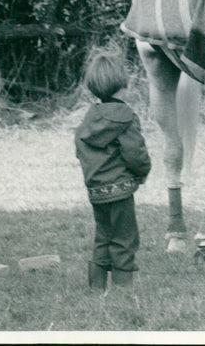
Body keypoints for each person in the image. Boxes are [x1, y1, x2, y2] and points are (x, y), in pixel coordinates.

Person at [75, 46, 151, 290]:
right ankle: (123, 287)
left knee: (103, 236)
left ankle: (96, 287)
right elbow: (135, 153)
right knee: (125, 238)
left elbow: (81, 149)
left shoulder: (90, 117)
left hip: (96, 191)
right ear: (122, 85)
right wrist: (142, 173)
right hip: (120, 190)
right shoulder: (126, 116)